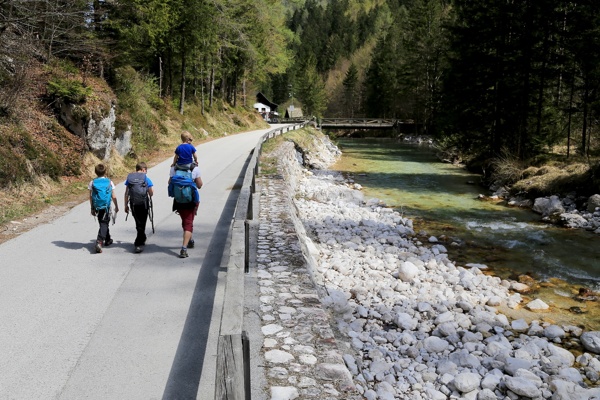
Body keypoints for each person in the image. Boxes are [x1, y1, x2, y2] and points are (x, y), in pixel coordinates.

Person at [168, 164, 203, 258]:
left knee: (185, 221)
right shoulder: (194, 168)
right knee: (188, 224)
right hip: (190, 201)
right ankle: (184, 249)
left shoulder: (174, 168)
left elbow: (170, 182)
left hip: (178, 200)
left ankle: (190, 241)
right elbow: (199, 185)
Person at [124, 162, 154, 253]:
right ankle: (138, 243)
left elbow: (126, 193)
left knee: (138, 222)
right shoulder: (146, 178)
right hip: (143, 203)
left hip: (133, 203)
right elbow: (151, 193)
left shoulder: (130, 178)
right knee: (142, 222)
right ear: (144, 169)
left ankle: (142, 237)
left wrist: (125, 205)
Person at [89, 163, 119, 253]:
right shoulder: (109, 182)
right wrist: (116, 206)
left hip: (97, 206)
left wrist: (92, 208)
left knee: (103, 222)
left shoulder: (92, 182)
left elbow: (90, 196)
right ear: (105, 172)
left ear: (95, 172)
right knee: (104, 223)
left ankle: (108, 239)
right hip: (106, 206)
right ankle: (99, 241)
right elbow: (113, 195)